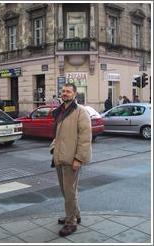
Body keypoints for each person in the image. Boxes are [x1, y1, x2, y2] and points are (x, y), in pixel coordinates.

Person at [50, 83, 92, 237]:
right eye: (63, 91)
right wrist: (53, 148)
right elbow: (58, 135)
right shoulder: (61, 111)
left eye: (68, 91)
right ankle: (75, 214)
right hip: (60, 158)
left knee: (69, 192)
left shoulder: (80, 112)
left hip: (71, 159)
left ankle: (71, 222)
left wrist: (78, 159)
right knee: (67, 191)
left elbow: (85, 138)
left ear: (75, 94)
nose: (65, 93)